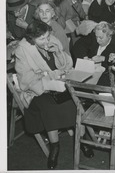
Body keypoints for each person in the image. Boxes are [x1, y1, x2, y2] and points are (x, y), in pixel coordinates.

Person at [14, 20, 76, 169]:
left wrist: (58, 52)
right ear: (31, 38)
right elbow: (25, 79)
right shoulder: (22, 49)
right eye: (41, 39)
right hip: (38, 90)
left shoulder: (51, 40)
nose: (46, 41)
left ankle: (81, 139)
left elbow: (68, 65)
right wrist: (46, 82)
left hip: (60, 83)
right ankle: (55, 146)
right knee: (49, 107)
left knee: (75, 100)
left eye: (47, 36)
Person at [71, 21, 115, 86]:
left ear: (109, 36)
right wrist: (84, 57)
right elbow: (78, 46)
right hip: (88, 72)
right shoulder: (94, 35)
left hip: (105, 76)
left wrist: (104, 59)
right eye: (96, 37)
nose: (97, 40)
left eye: (101, 38)